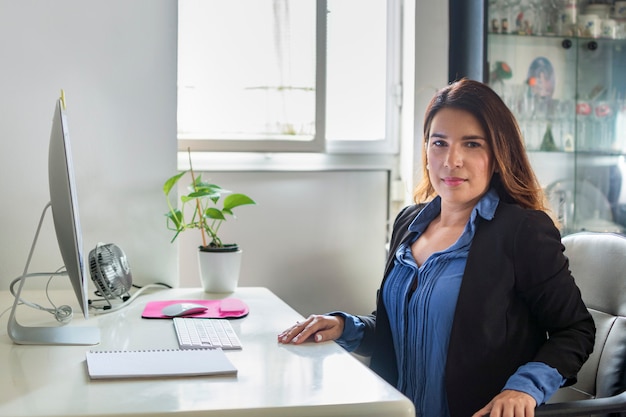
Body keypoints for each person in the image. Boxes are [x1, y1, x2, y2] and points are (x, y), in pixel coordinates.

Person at [278, 78, 596, 417]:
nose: (451, 160)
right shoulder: (408, 223)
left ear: (499, 153)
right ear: (426, 149)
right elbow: (404, 331)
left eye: (472, 144)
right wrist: (346, 327)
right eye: (439, 143)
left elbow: (575, 330)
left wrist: (523, 389)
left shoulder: (522, 231)